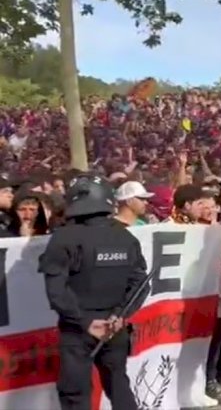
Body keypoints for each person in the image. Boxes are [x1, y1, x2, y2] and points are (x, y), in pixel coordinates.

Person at [38, 174, 148, 410]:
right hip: (114, 327)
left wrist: (85, 322)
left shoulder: (63, 238)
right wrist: (120, 316)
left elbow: (56, 290)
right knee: (119, 385)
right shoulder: (125, 237)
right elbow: (141, 285)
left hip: (77, 329)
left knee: (75, 393)